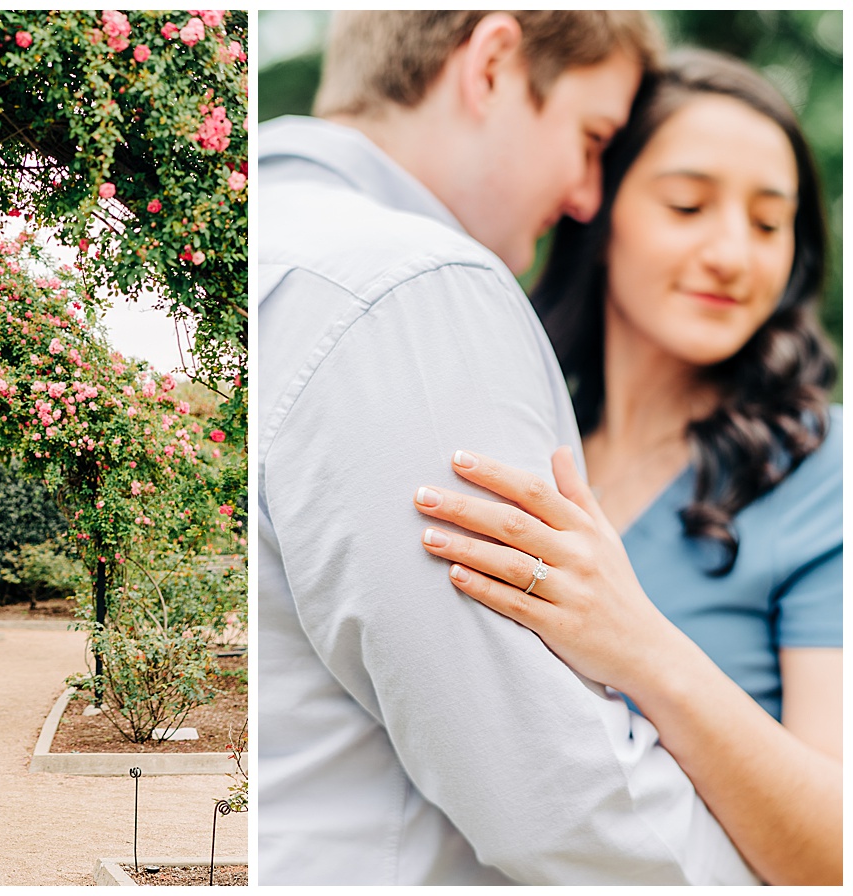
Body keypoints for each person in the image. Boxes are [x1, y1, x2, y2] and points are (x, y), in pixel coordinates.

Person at [259, 11, 760, 885]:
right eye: (592, 137)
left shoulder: (275, 242)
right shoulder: (412, 286)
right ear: (490, 64)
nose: (586, 200)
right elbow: (563, 797)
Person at [414, 50, 841, 885]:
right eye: (688, 205)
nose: (732, 254)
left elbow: (838, 853)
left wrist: (642, 648)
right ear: (598, 212)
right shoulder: (519, 434)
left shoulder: (824, 472)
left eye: (767, 223)